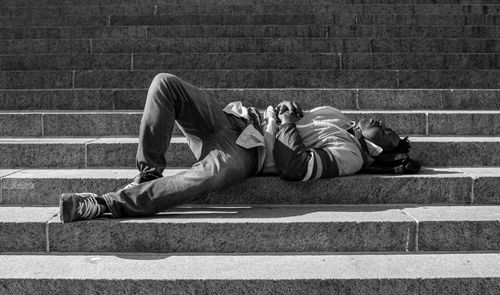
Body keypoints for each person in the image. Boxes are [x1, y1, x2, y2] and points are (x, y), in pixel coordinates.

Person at [59, 73, 419, 222]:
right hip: (236, 122)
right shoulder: (337, 115)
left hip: (248, 154)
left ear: (382, 149)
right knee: (164, 84)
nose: (385, 124)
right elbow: (287, 121)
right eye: (388, 125)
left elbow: (295, 167)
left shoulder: (352, 155)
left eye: (390, 133)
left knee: (209, 175)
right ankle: (148, 172)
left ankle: (108, 203)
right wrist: (286, 110)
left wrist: (288, 122)